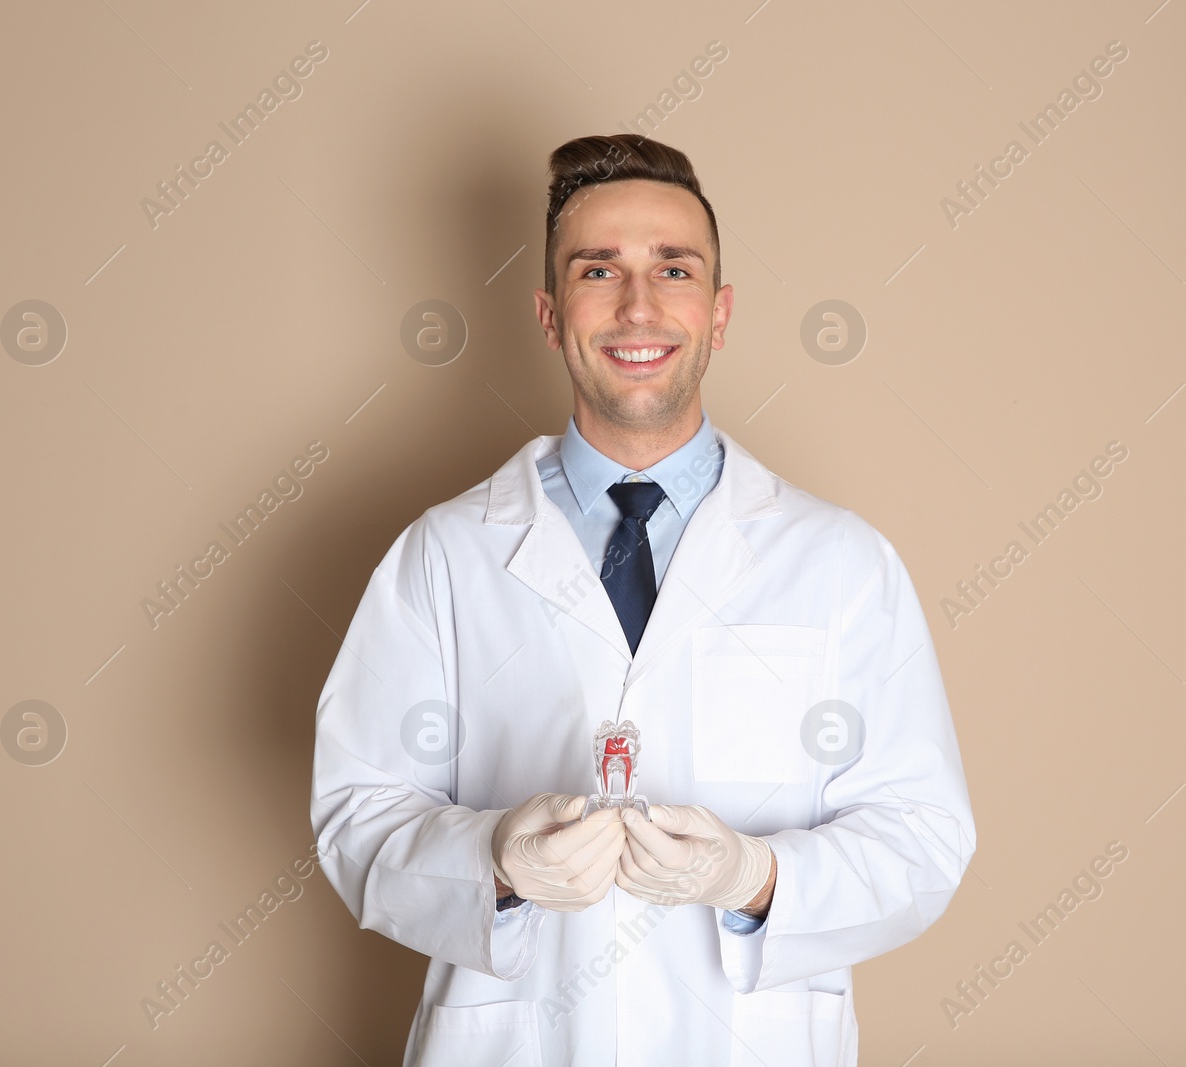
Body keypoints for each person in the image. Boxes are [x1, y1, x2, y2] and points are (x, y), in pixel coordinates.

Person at [311, 133, 975, 1067]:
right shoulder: (445, 555)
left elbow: (922, 837)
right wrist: (496, 865)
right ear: (549, 313)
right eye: (597, 270)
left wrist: (757, 877)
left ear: (719, 310)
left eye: (674, 268)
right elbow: (358, 815)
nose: (637, 305)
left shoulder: (840, 564)